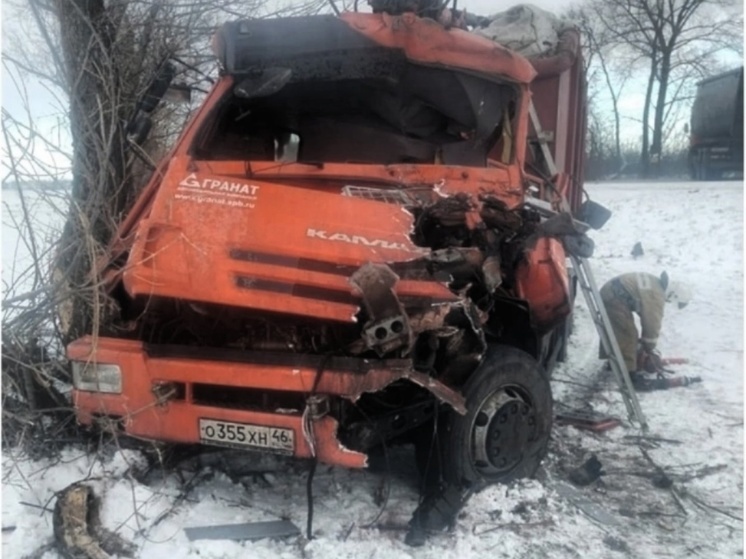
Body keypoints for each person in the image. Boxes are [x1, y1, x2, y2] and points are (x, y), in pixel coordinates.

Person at [599, 271, 692, 377]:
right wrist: (649, 346)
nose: (668, 302)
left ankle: (615, 362)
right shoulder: (656, 294)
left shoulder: (655, 284)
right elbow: (652, 323)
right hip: (614, 296)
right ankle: (628, 373)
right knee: (628, 334)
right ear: (673, 295)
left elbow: (643, 308)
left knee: (616, 331)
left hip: (612, 292)